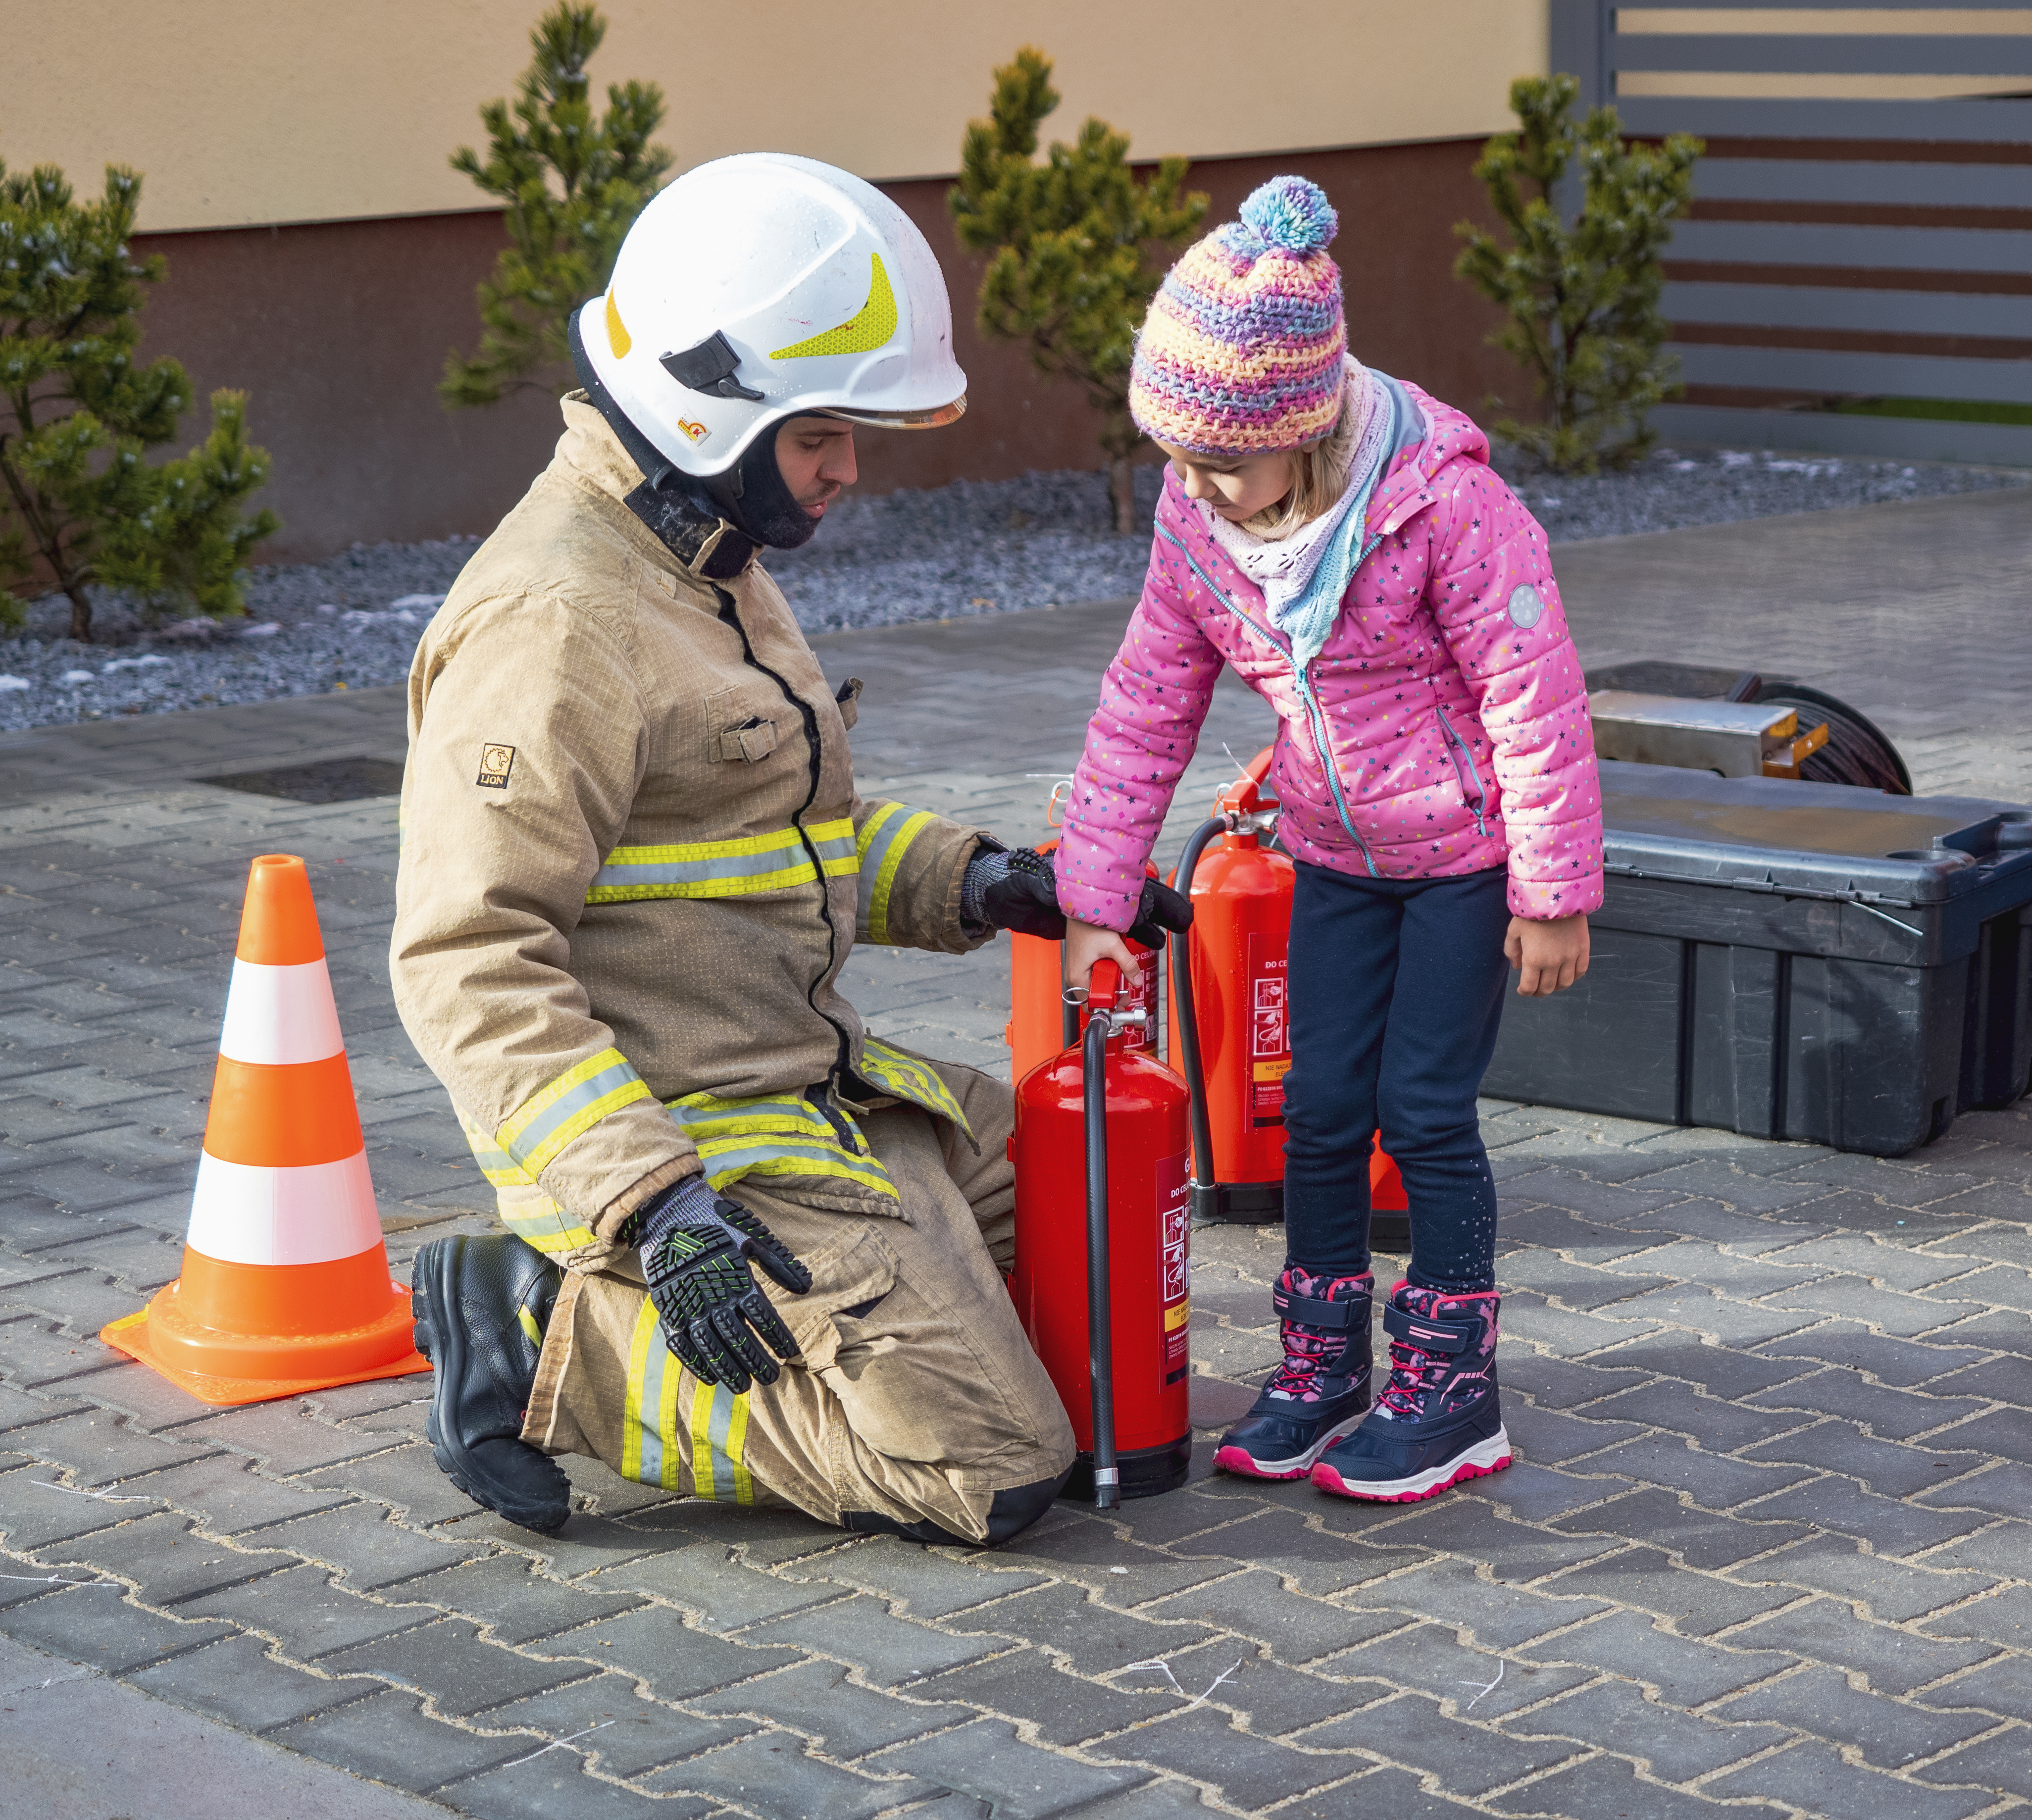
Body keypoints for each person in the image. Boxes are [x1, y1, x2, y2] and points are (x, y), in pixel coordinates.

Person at [389, 152, 1189, 1542]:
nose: (847, 471)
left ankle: (848, 1297)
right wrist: (653, 1203)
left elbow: (776, 834)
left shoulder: (703, 560)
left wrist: (988, 879)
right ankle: (541, 1333)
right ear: (709, 408)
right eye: (821, 434)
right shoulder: (556, 627)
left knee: (1082, 1257)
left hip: (809, 1092)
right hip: (690, 1148)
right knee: (992, 1458)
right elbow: (470, 965)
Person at [1054, 176, 1603, 1503]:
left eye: (1223, 460)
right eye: (1175, 459)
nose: (1194, 486)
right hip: (1339, 856)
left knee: (1421, 1109)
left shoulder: (1443, 507)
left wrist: (1553, 887)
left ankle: (1455, 1386)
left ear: (1303, 431)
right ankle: (1322, 1365)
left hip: (1467, 863)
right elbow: (1146, 700)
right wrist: (1094, 890)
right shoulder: (1201, 520)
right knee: (1315, 1110)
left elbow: (1534, 685)